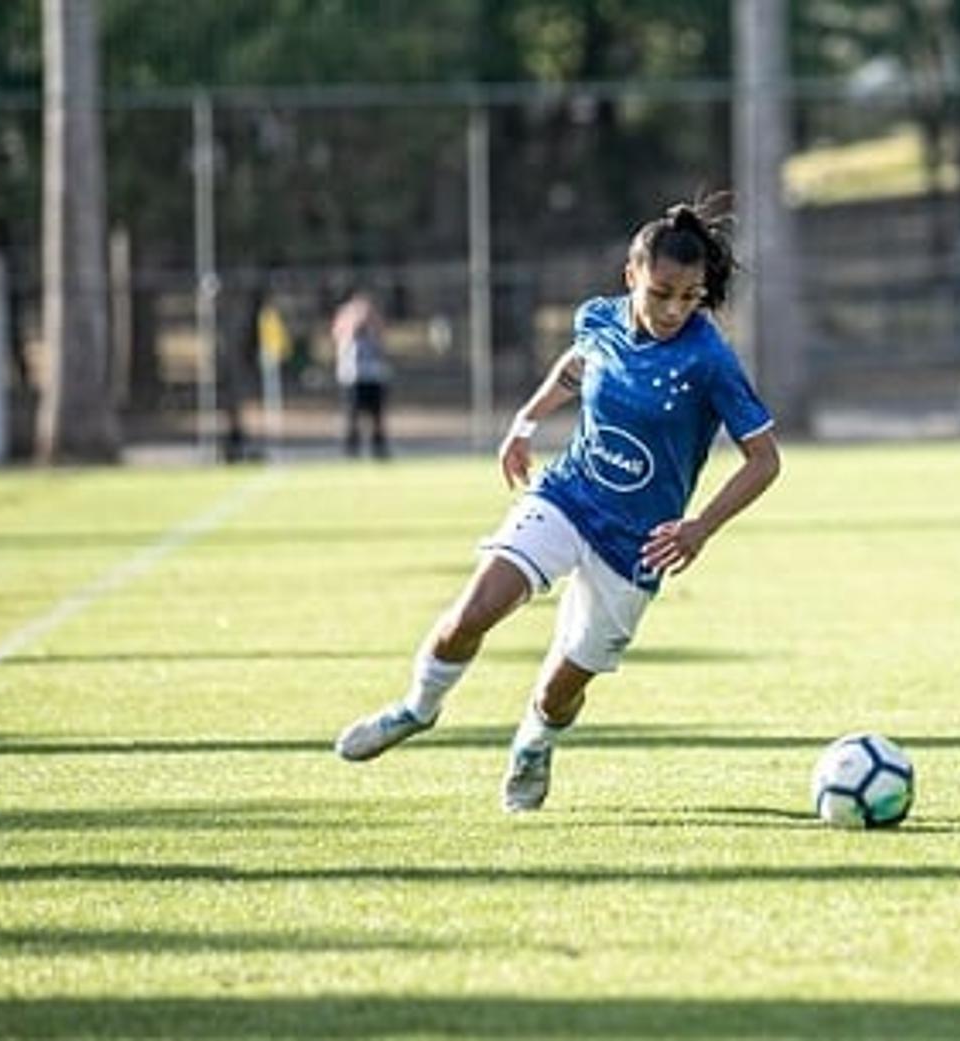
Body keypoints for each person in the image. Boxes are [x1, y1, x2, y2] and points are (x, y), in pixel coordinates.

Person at [333, 200, 781, 813]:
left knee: (559, 691)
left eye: (690, 296)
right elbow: (577, 365)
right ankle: (416, 709)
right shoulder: (599, 319)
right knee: (471, 612)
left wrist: (700, 526)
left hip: (637, 544)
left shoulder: (709, 360)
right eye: (662, 293)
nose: (675, 309)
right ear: (632, 277)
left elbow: (765, 460)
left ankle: (535, 743)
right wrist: (526, 421)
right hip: (568, 495)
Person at [331, 289, 391, 459]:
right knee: (352, 416)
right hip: (352, 377)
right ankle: (351, 450)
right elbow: (338, 334)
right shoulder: (346, 320)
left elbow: (383, 336)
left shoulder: (374, 323)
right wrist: (353, 319)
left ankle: (379, 449)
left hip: (373, 376)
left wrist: (370, 319)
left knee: (377, 417)